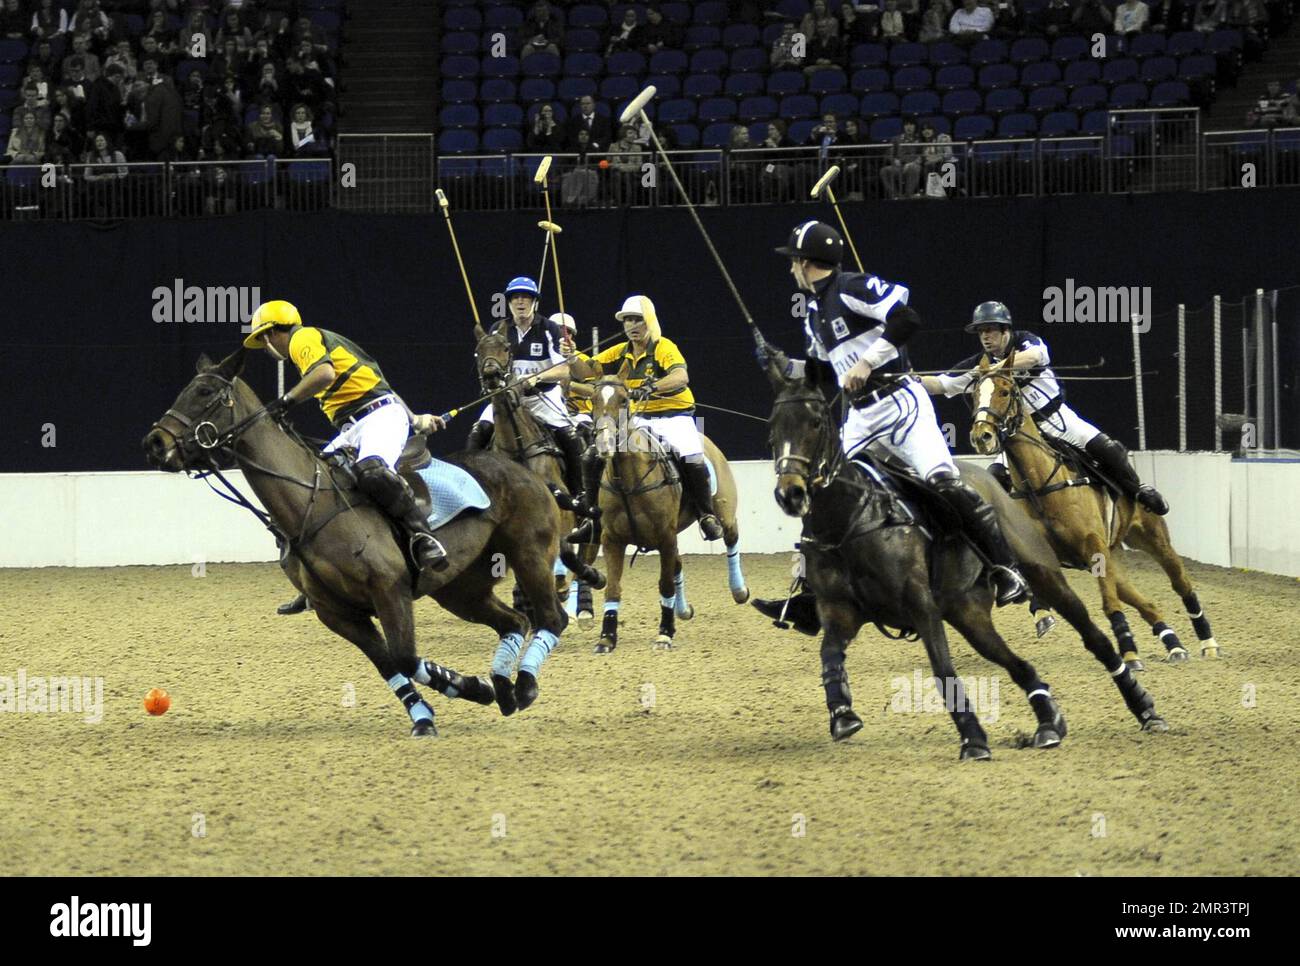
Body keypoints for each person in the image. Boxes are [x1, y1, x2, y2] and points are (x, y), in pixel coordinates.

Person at [759, 221, 1030, 622]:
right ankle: (811, 596)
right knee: (828, 490)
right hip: (861, 416)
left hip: (903, 407)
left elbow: (907, 319)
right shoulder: (813, 312)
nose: (790, 270)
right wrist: (782, 362)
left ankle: (1004, 567)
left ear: (806, 263)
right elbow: (820, 371)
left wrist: (868, 362)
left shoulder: (853, 287)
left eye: (793, 262)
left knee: (944, 484)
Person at [242, 300, 451, 585]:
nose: (267, 347)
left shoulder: (300, 339)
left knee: (372, 470)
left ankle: (422, 536)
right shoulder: (319, 341)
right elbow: (381, 384)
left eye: (264, 340)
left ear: (270, 334)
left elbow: (324, 374)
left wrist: (286, 401)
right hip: (355, 425)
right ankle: (312, 579)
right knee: (310, 488)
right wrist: (415, 419)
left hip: (380, 416)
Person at [921, 301, 1170, 516]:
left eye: (990, 330)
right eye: (981, 332)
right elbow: (940, 384)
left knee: (1107, 448)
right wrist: (911, 381)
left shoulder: (1025, 341)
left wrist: (996, 369)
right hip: (1019, 433)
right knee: (995, 477)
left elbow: (1035, 357)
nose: (985, 336)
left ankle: (1138, 491)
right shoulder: (978, 364)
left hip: (1058, 420)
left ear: (1006, 330)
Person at [566, 295, 725, 543]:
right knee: (593, 455)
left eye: (637, 320)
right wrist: (572, 358)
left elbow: (681, 377)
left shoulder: (664, 347)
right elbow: (586, 372)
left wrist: (653, 387)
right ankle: (592, 518)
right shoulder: (619, 352)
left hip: (675, 416)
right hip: (640, 418)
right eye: (627, 321)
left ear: (649, 321)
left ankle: (705, 514)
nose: (631, 326)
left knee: (692, 453)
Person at [463, 277, 587, 503]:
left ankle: (580, 495)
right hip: (508, 398)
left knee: (570, 437)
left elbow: (564, 372)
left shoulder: (549, 329)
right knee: (477, 432)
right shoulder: (498, 329)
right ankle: (469, 491)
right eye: (516, 298)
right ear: (509, 303)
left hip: (543, 397)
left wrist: (534, 378)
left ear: (534, 302)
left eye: (526, 297)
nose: (521, 302)